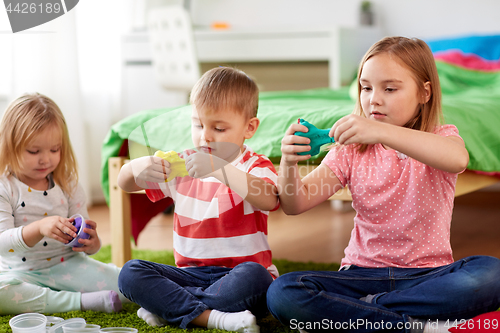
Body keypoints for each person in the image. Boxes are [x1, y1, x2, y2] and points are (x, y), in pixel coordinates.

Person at [267, 36, 500, 333]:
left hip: (426, 276)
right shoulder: (350, 150)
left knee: (491, 274)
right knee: (283, 292)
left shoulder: (441, 136)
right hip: (359, 275)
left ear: (424, 93)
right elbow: (294, 204)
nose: (373, 99)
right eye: (365, 88)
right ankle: (417, 325)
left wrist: (379, 130)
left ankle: (359, 315)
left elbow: (457, 159)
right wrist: (288, 163)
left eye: (389, 89)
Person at [117, 67, 279, 333]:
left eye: (218, 127)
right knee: (130, 273)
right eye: (198, 124)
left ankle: (171, 307)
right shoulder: (182, 164)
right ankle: (213, 317)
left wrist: (218, 168)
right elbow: (125, 184)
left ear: (249, 127)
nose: (205, 136)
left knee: (258, 279)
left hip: (239, 274)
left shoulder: (254, 166)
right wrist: (136, 167)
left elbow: (269, 199)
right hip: (190, 276)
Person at [0, 93, 127, 314]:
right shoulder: (5, 187)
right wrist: (40, 228)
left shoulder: (68, 184)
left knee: (129, 282)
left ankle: (68, 298)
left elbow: (88, 246)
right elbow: (3, 243)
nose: (45, 159)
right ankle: (81, 302)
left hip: (68, 267)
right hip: (21, 273)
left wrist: (91, 243)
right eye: (34, 151)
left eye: (54, 149)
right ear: (9, 146)